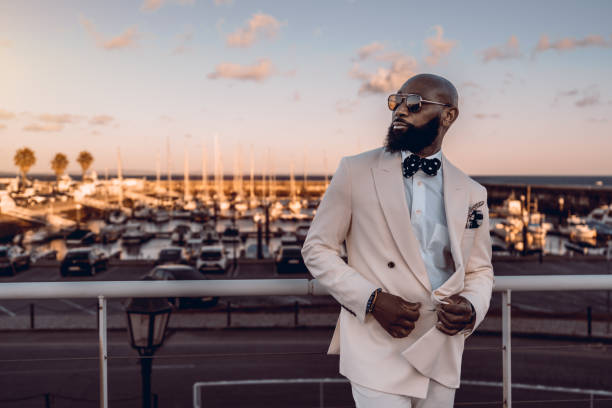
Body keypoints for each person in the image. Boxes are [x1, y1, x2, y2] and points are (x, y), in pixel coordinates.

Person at [301, 73, 494, 407]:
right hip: (377, 344)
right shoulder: (355, 171)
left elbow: (479, 270)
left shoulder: (473, 193)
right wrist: (372, 300)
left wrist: (473, 306)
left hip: (440, 347)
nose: (400, 110)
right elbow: (317, 249)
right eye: (397, 101)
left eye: (415, 103)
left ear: (448, 116)